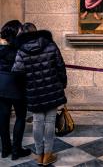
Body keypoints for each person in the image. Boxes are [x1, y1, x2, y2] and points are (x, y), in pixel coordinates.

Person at [12, 23, 67, 166]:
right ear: (36, 31)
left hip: (33, 91)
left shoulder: (21, 51)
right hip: (52, 89)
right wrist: (63, 83)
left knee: (37, 121)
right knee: (50, 121)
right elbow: (60, 66)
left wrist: (26, 86)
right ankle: (48, 154)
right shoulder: (50, 44)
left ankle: (39, 155)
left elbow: (17, 72)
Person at [0, 20, 31, 160]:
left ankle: (5, 149)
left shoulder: (1, 48)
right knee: (20, 117)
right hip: (17, 86)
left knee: (3, 118)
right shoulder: (21, 49)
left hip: (1, 86)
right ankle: (16, 150)